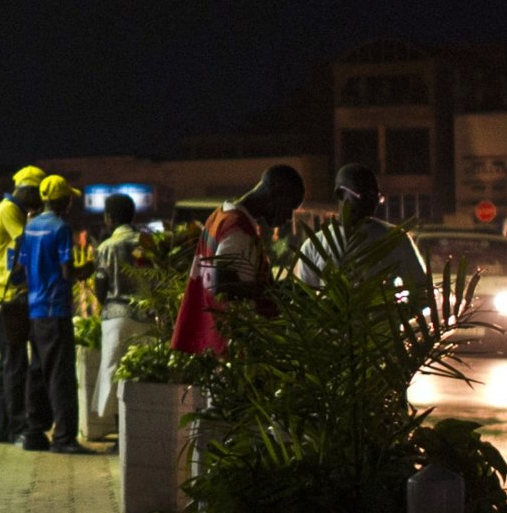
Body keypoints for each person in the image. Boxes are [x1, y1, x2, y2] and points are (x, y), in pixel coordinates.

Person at [172, 164, 307, 355]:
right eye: (290, 206)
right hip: (229, 345)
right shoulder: (238, 230)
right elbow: (223, 286)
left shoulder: (221, 215)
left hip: (211, 338)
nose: (288, 217)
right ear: (275, 191)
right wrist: (276, 292)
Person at [17, 176, 88, 453]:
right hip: (55, 309)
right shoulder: (60, 228)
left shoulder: (30, 227)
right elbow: (67, 271)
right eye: (68, 198)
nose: (70, 203)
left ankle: (34, 433)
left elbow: (21, 270)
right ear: (60, 201)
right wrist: (88, 270)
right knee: (61, 375)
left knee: (37, 371)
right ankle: (64, 438)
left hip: (34, 310)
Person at [294, 163, 428, 304]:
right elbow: (304, 302)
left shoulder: (395, 239)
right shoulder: (314, 247)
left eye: (377, 196)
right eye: (364, 196)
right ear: (340, 194)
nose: (373, 202)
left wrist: (395, 316)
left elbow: (421, 291)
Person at [0, 167, 44, 443]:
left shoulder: (14, 210)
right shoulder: (9, 210)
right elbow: (28, 241)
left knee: (12, 362)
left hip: (4, 295)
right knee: (15, 362)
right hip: (3, 296)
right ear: (29, 190)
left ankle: (2, 428)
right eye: (39, 194)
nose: (41, 200)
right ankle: (16, 427)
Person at [92, 193, 153, 418]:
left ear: (109, 217)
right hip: (146, 317)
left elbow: (100, 286)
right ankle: (138, 423)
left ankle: (117, 426)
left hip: (116, 317)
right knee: (142, 372)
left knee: (112, 370)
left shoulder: (107, 247)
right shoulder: (148, 243)